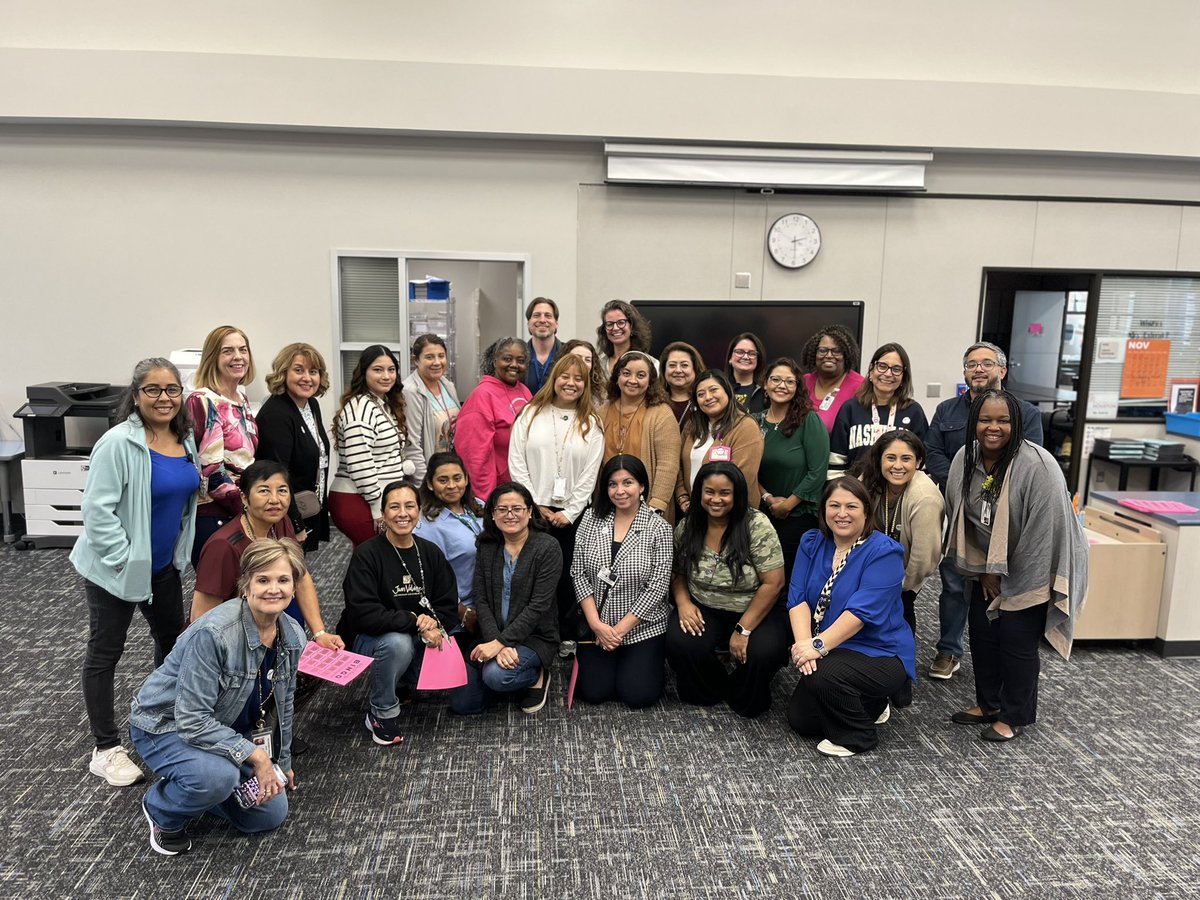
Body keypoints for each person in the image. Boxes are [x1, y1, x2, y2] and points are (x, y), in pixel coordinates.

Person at [129, 538, 307, 855]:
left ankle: (204, 789)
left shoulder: (292, 635)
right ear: (246, 585)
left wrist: (282, 762)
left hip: (225, 728)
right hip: (165, 724)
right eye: (263, 580)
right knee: (216, 777)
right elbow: (191, 720)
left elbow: (284, 703)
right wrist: (256, 757)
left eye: (283, 580)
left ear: (294, 587)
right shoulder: (215, 633)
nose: (274, 589)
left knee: (269, 813)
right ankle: (162, 810)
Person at [71, 358, 200, 788]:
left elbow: (185, 498)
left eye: (172, 389)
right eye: (153, 390)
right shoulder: (118, 443)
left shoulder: (184, 437)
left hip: (162, 566)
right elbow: (97, 511)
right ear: (136, 394)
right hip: (116, 568)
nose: (164, 398)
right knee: (105, 651)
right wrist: (125, 561)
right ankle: (105, 749)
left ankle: (161, 719)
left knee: (172, 644)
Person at [945, 390, 1088, 743]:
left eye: (1003, 420)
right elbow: (961, 519)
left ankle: (1013, 716)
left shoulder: (1038, 466)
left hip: (1036, 562)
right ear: (974, 422)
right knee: (982, 633)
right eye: (985, 419)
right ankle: (989, 704)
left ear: (1017, 424)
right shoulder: (966, 457)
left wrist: (1002, 574)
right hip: (984, 565)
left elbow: (1043, 535)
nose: (993, 427)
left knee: (1016, 639)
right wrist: (983, 570)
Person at [925, 342, 1044, 681]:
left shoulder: (1025, 412)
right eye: (971, 364)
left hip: (1004, 518)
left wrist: (984, 488)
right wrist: (964, 485)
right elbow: (932, 452)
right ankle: (949, 649)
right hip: (958, 512)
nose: (978, 369)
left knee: (1000, 586)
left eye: (986, 363)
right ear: (964, 372)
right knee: (954, 582)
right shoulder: (947, 410)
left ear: (1002, 370)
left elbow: (1029, 460)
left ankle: (1000, 658)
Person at [785, 477, 917, 757]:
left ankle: (859, 737)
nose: (841, 514)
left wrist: (817, 647)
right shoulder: (812, 542)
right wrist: (805, 648)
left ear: (866, 511)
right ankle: (871, 702)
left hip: (879, 651)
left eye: (851, 506)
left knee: (823, 676)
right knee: (802, 720)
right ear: (823, 510)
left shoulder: (884, 552)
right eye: (834, 505)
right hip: (831, 646)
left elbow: (860, 613)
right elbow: (798, 599)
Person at [338, 481, 460, 745]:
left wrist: (434, 624)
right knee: (398, 643)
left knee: (459, 686)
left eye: (409, 506)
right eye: (394, 507)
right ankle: (381, 713)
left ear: (419, 511)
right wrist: (414, 621)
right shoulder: (367, 554)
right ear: (383, 513)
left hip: (420, 636)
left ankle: (401, 681)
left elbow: (448, 605)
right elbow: (363, 614)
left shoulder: (429, 552)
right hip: (371, 638)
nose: (402, 513)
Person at [666, 462, 788, 718]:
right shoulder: (688, 526)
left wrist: (743, 630)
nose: (716, 499)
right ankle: (717, 687)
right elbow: (677, 573)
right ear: (699, 493)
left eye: (725, 493)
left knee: (764, 652)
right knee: (681, 641)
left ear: (738, 494)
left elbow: (774, 583)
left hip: (755, 606)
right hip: (705, 605)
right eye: (709, 492)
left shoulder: (757, 525)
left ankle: (744, 691)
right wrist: (684, 603)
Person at [191, 459, 343, 651]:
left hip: (267, 622)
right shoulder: (223, 546)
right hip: (228, 641)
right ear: (244, 497)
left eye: (282, 490)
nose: (275, 499)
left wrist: (320, 633)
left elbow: (301, 576)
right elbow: (200, 619)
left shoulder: (281, 522)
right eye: (264, 491)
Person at [508, 353, 605, 635]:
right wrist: (532, 504)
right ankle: (531, 633)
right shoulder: (530, 414)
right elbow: (516, 461)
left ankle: (565, 635)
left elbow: (590, 473)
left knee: (568, 577)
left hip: (573, 516)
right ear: (554, 378)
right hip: (532, 511)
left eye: (578, 378)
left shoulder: (592, 423)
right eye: (565, 376)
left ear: (585, 385)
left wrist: (570, 512)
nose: (571, 383)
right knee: (532, 575)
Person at [570, 456, 674, 708]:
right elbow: (578, 573)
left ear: (642, 486)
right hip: (598, 623)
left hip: (642, 627)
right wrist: (596, 625)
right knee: (593, 692)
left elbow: (657, 588)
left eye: (628, 482)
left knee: (638, 695)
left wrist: (617, 632)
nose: (620, 491)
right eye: (612, 484)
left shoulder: (659, 528)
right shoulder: (591, 519)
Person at [466, 483, 561, 714]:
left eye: (517, 508)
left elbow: (538, 606)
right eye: (502, 509)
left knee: (496, 677)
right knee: (464, 703)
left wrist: (500, 644)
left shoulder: (547, 547)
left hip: (534, 636)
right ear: (492, 514)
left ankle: (537, 675)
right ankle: (502, 670)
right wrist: (495, 641)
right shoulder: (486, 546)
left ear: (529, 511)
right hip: (493, 633)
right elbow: (481, 599)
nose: (510, 515)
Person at [850, 430, 945, 635]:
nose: (898, 466)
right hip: (867, 569)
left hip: (903, 578)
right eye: (891, 458)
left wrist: (900, 588)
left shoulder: (926, 498)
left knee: (899, 618)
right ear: (879, 460)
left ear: (918, 462)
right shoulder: (869, 478)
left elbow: (923, 560)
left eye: (906, 459)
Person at [328, 345, 423, 548]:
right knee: (376, 557)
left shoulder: (381, 403)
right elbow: (360, 463)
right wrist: (376, 506)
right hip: (359, 499)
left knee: (374, 559)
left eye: (391, 369)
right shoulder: (361, 409)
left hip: (375, 497)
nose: (386, 376)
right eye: (378, 370)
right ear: (364, 373)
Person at [186, 325, 258, 566]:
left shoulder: (241, 399)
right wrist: (249, 509)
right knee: (221, 586)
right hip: (217, 514)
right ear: (213, 358)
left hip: (242, 508)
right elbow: (211, 471)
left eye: (243, 350)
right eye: (228, 351)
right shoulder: (203, 400)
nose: (238, 357)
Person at [755, 357, 829, 585]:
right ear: (765, 383)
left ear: (797, 387)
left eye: (789, 381)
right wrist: (768, 498)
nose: (782, 386)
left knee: (788, 580)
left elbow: (817, 472)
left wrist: (787, 505)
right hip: (761, 512)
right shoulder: (754, 422)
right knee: (760, 577)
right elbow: (748, 469)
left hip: (798, 515)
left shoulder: (809, 421)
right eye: (776, 379)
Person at [254, 342, 331, 553]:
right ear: (283, 373)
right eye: (298, 370)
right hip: (284, 514)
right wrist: (295, 523)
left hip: (307, 506)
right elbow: (277, 476)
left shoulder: (310, 404)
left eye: (313, 372)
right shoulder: (276, 414)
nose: (307, 378)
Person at [601, 350, 681, 519]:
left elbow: (668, 464)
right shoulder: (601, 411)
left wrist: (656, 505)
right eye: (626, 373)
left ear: (650, 381)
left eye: (641, 375)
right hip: (606, 504)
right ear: (617, 376)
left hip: (647, 507)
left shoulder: (662, 414)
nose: (632, 380)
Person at [829, 342, 928, 478]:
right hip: (856, 488)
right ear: (871, 370)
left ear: (903, 376)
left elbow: (922, 463)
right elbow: (835, 463)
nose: (888, 373)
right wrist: (841, 489)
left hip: (900, 489)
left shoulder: (913, 412)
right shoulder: (850, 409)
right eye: (882, 366)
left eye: (896, 369)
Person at [414, 452, 485, 639]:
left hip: (489, 603)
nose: (452, 485)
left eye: (457, 478)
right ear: (430, 484)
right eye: (443, 480)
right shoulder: (426, 525)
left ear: (466, 479)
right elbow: (428, 578)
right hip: (459, 613)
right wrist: (462, 612)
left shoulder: (479, 506)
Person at [454, 337, 533, 504]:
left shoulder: (524, 391)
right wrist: (486, 500)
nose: (514, 365)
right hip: (497, 494)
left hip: (522, 489)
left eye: (521, 360)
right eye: (507, 359)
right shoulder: (482, 396)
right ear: (495, 361)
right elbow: (475, 457)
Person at [676, 370, 765, 511]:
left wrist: (710, 505)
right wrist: (682, 497)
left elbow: (742, 478)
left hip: (732, 513)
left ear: (727, 391)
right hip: (693, 512)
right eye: (701, 394)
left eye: (713, 390)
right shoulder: (692, 425)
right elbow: (678, 464)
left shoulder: (745, 426)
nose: (708, 397)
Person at [401, 333, 460, 481]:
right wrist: (425, 484)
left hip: (449, 473)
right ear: (416, 360)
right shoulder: (410, 391)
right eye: (429, 357)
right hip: (429, 475)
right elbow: (412, 446)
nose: (437, 362)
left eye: (441, 356)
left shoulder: (447, 385)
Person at [799, 324, 864, 433]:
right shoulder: (804, 382)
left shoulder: (860, 387)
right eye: (822, 350)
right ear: (814, 354)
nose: (829, 355)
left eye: (837, 351)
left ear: (846, 355)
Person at [596, 299, 655, 376]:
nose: (615, 328)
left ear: (632, 326)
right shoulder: (598, 364)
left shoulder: (651, 364)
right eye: (609, 324)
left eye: (621, 322)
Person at [523, 297, 563, 394]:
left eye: (548, 316)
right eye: (536, 315)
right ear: (528, 323)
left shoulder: (568, 353)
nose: (542, 320)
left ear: (556, 323)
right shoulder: (518, 356)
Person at [659, 340, 705, 424]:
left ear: (695, 369)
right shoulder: (654, 402)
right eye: (672, 365)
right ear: (664, 370)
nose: (678, 370)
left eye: (684, 365)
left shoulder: (706, 400)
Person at [725, 332, 768, 413]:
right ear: (730, 358)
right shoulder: (720, 388)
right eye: (739, 352)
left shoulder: (766, 392)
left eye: (752, 353)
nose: (745, 357)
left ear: (758, 360)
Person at [562, 338, 608, 410]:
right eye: (577, 357)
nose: (583, 363)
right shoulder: (556, 385)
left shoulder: (601, 394)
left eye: (588, 360)